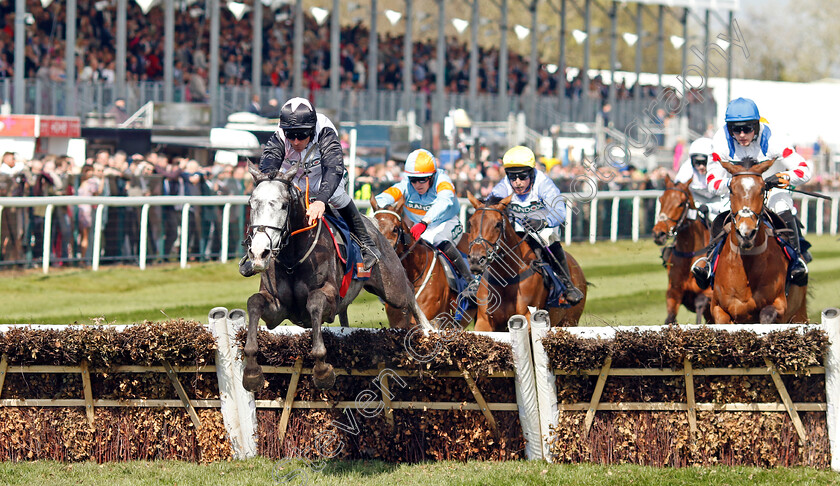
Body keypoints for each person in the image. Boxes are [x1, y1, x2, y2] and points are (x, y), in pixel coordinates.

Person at [240, 97, 380, 276]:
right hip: (293, 178)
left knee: (338, 197)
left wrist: (321, 201)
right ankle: (256, 250)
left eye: (301, 135)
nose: (296, 141)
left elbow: (334, 168)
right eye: (291, 135)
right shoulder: (280, 135)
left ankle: (367, 244)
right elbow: (269, 166)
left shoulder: (326, 131)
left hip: (323, 176)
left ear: (312, 130)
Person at [691, 97, 812, 289]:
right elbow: (712, 182)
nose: (741, 134)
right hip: (739, 193)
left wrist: (781, 178)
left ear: (756, 125)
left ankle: (796, 261)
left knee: (782, 207)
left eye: (747, 128)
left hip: (771, 188)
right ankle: (709, 263)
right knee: (719, 215)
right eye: (735, 129)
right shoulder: (720, 140)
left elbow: (804, 170)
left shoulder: (774, 139)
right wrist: (737, 184)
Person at [487, 146, 583, 305]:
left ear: (531, 174)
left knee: (549, 239)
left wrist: (543, 222)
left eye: (522, 177)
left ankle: (567, 286)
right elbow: (490, 206)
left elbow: (560, 212)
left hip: (544, 227)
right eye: (512, 177)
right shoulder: (503, 186)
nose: (517, 183)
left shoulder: (544, 183)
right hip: (516, 228)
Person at [373, 148, 471, 282]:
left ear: (432, 176)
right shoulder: (406, 185)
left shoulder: (443, 181)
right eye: (413, 180)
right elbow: (382, 198)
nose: (417, 184)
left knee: (438, 239)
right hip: (420, 226)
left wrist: (424, 222)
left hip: (446, 223)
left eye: (422, 179)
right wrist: (384, 208)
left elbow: (445, 201)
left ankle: (469, 281)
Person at [673, 137, 726, 222]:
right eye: (697, 162)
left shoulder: (721, 169)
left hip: (718, 202)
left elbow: (727, 197)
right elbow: (677, 189)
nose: (701, 167)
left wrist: (710, 208)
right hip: (697, 202)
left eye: (704, 162)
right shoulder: (686, 168)